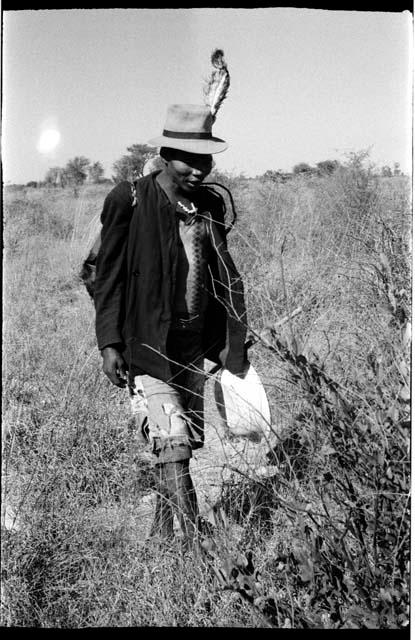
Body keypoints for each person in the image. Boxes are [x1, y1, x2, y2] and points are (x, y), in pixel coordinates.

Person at [94, 103, 248, 547]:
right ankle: (198, 547)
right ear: (165, 154)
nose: (200, 169)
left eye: (207, 160)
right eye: (190, 159)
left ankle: (162, 532)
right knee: (172, 440)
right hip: (147, 343)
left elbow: (221, 273)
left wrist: (232, 336)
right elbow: (108, 275)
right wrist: (110, 341)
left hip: (192, 343)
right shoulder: (130, 199)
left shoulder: (209, 204)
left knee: (180, 443)